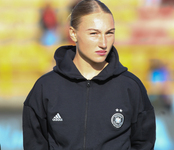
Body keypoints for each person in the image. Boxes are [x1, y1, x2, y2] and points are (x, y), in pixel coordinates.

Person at [23, 0, 156, 150]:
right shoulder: (45, 88)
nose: (103, 43)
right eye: (94, 33)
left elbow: (144, 143)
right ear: (73, 33)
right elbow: (34, 144)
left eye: (109, 33)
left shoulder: (131, 87)